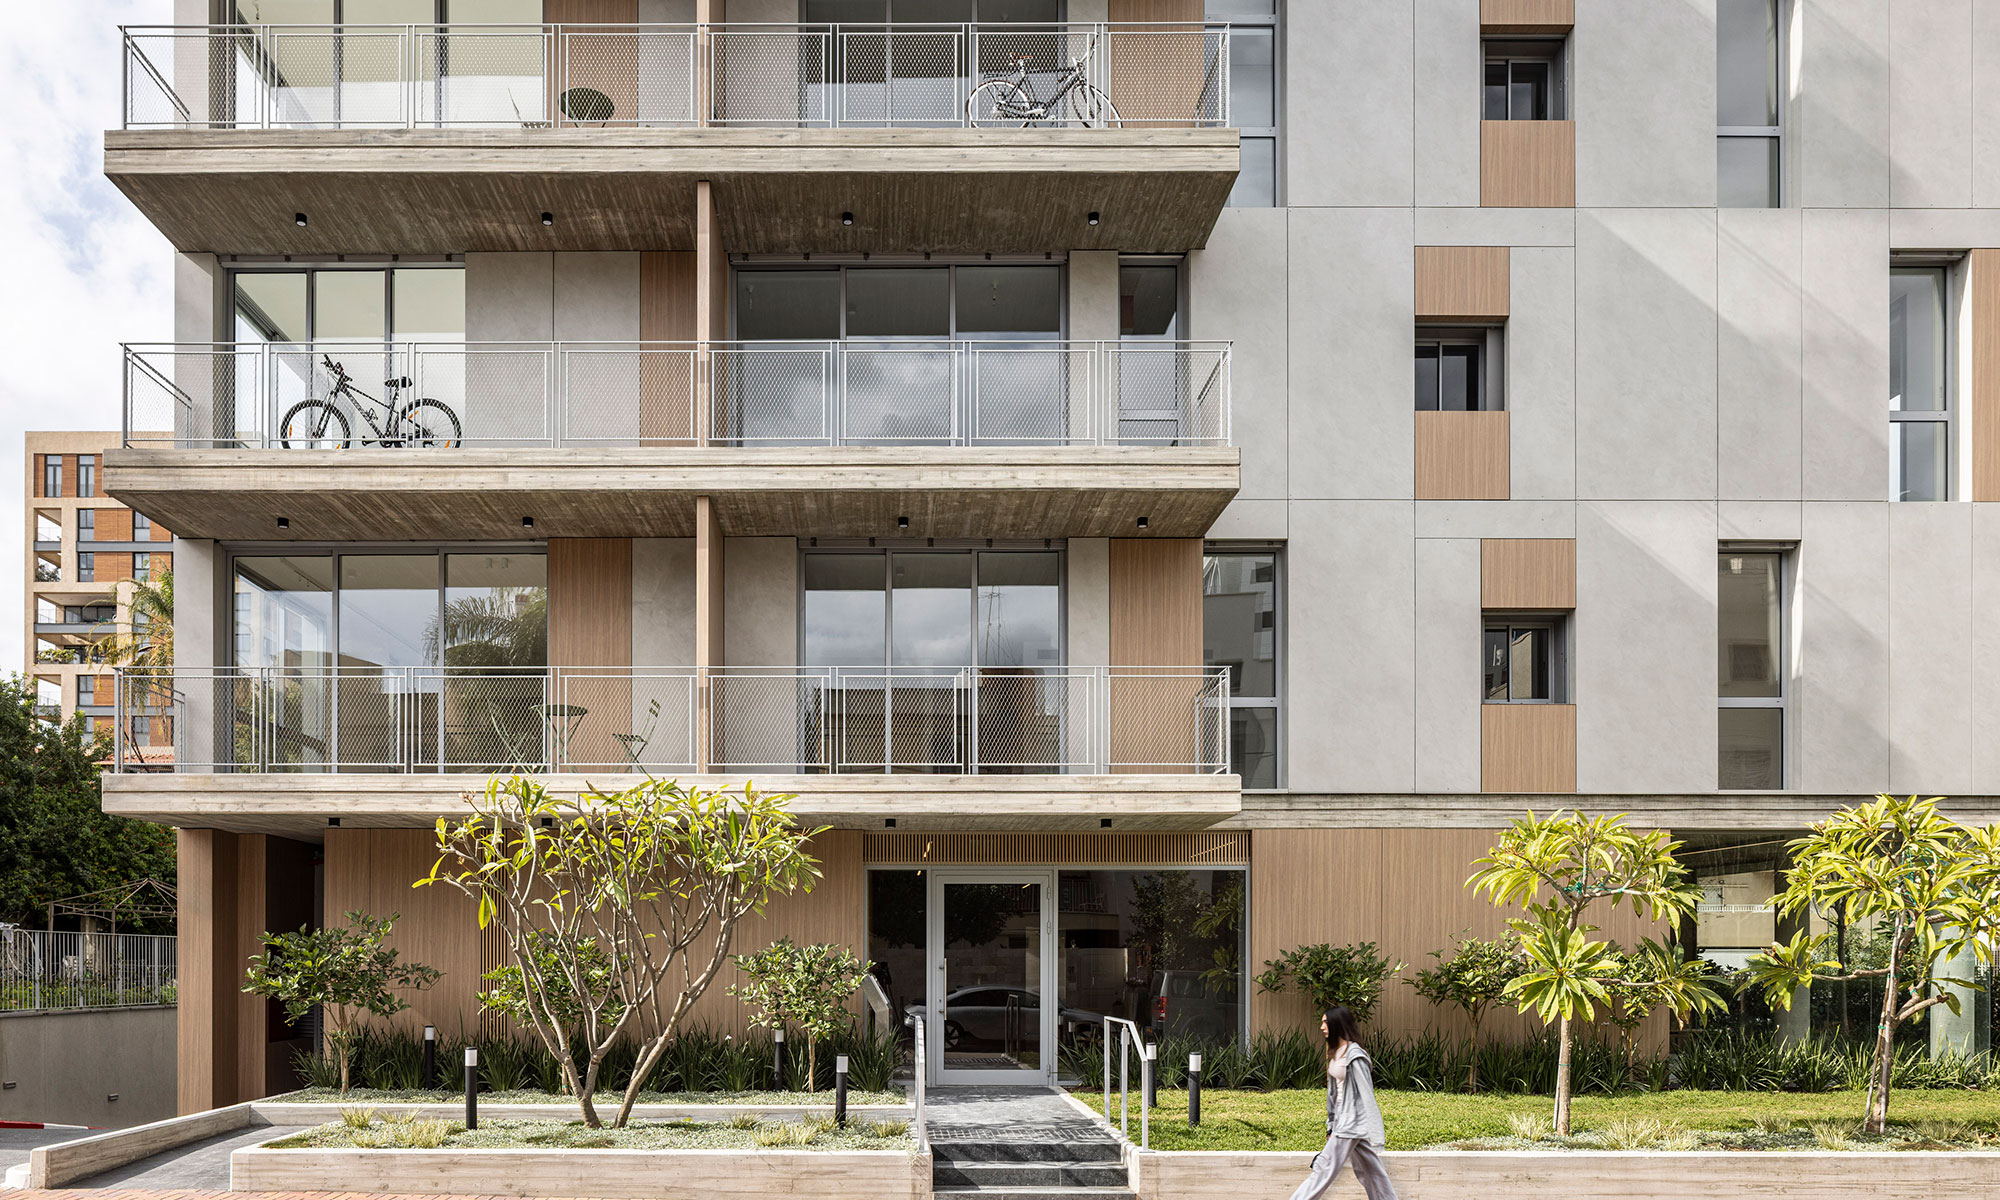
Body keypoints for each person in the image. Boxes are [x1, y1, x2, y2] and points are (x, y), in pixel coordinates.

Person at [1287, 1006, 1398, 1200]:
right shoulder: (1336, 1053)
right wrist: (1332, 1124)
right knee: (1371, 1172)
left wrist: (1376, 1133)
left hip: (1350, 1124)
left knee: (1324, 1168)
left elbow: (1367, 1095)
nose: (1322, 1027)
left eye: (1325, 1022)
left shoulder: (1355, 1056)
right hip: (1345, 1123)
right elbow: (1335, 1094)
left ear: (1337, 1024)